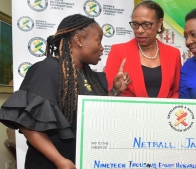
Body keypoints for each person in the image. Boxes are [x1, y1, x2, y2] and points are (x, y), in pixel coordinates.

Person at [0, 14, 131, 169]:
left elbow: (97, 116)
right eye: (98, 41)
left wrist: (115, 91)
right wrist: (59, 161)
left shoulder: (90, 76)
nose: (102, 47)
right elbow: (28, 125)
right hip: (50, 164)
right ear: (79, 40)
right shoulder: (47, 70)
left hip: (82, 161)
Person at [105, 1, 182, 98]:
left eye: (146, 24)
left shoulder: (173, 54)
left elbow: (176, 91)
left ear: (159, 23)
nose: (139, 30)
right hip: (129, 112)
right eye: (135, 24)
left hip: (163, 112)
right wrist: (116, 90)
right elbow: (108, 96)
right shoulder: (118, 51)